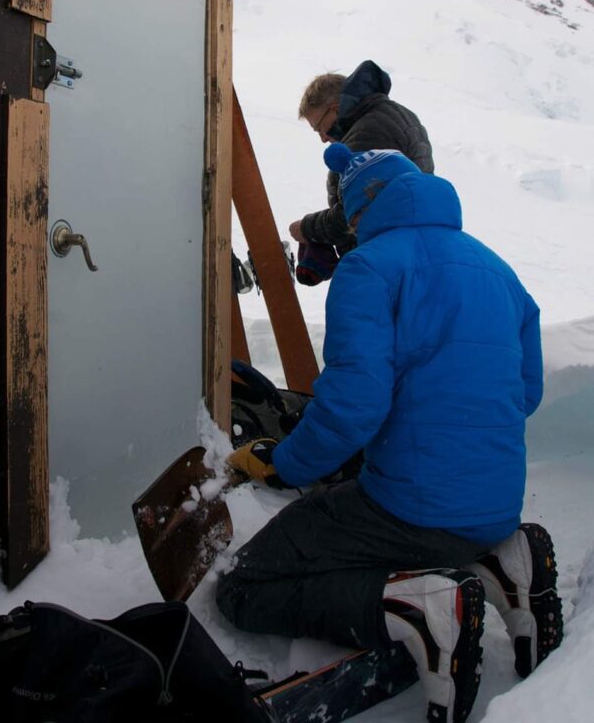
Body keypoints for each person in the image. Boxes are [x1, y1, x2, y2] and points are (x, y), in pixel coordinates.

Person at [218, 144, 562, 723]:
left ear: (363, 208)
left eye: (352, 216)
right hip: (497, 506)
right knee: (413, 519)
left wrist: (285, 463)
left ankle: (415, 609)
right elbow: (525, 395)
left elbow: (354, 407)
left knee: (244, 585)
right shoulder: (498, 269)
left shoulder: (370, 267)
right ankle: (504, 561)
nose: (352, 228)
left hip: (413, 508)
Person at [289, 60, 434, 256]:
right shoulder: (393, 115)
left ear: (335, 109)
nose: (323, 138)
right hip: (413, 243)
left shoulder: (367, 131)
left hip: (387, 254)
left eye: (319, 127)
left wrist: (307, 229)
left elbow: (359, 212)